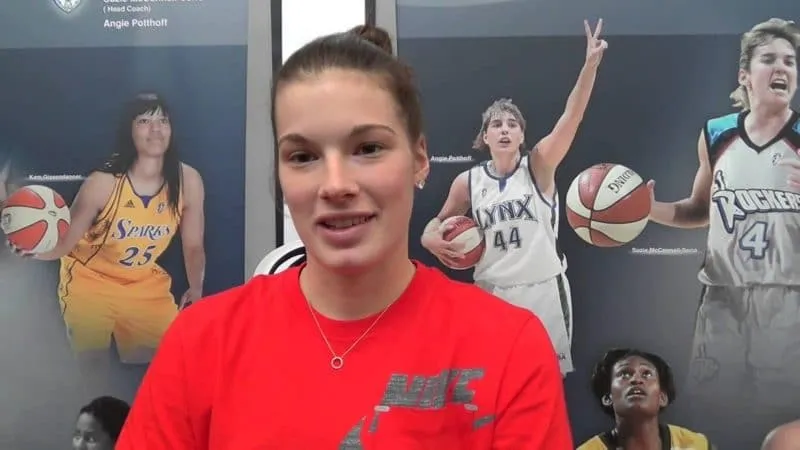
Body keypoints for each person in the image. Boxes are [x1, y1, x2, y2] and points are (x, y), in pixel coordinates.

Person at [116, 25, 572, 448]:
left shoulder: (510, 348)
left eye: (368, 148)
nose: (335, 185)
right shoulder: (200, 343)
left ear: (419, 159)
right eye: (303, 156)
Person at [420, 19, 607, 376]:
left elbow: (572, 117)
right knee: (493, 384)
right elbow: (437, 221)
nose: (505, 129)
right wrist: (429, 238)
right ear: (485, 137)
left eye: (512, 124)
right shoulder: (468, 181)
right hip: (491, 292)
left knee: (543, 384)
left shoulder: (538, 165)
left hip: (543, 291)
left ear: (522, 136)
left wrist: (589, 67)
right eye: (496, 124)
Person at [647, 18, 800, 433]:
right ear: (744, 75)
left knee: (782, 421)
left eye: (790, 61)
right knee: (714, 416)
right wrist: (648, 210)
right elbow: (700, 210)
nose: (782, 67)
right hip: (721, 296)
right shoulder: (716, 134)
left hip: (789, 297)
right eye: (769, 59)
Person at [5, 93, 206, 393]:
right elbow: (65, 244)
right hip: (90, 281)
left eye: (162, 120)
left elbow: (193, 245)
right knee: (93, 373)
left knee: (164, 372)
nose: (156, 129)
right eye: (145, 120)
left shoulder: (188, 180)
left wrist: (197, 287)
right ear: (129, 130)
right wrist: (31, 250)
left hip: (143, 284)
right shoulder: (103, 183)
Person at [578, 348, 712, 449]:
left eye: (647, 374)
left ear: (662, 397)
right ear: (608, 398)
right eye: (624, 374)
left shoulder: (696, 445)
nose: (636, 379)